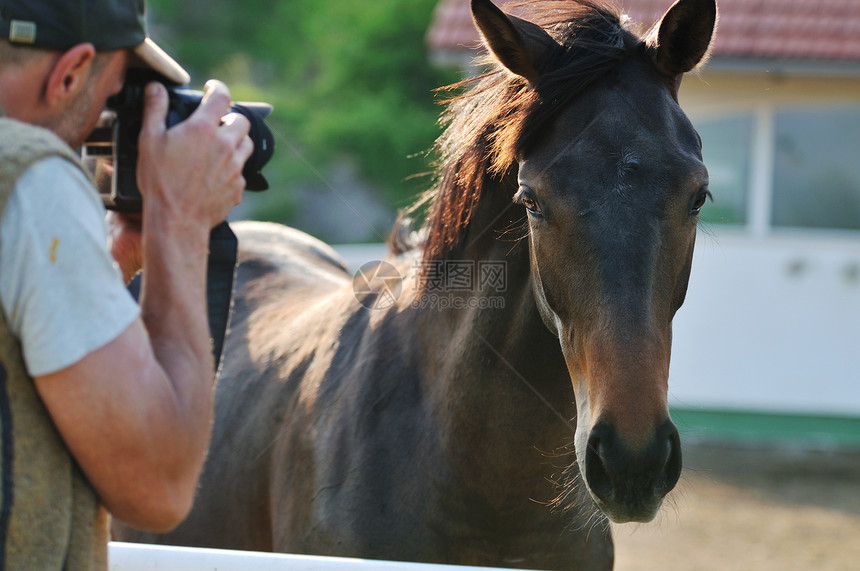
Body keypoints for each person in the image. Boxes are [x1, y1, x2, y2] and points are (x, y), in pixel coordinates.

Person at [0, 0, 253, 568]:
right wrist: (181, 222)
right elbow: (157, 486)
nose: (108, 121)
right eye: (114, 94)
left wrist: (116, 258)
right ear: (69, 73)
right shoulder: (29, 178)